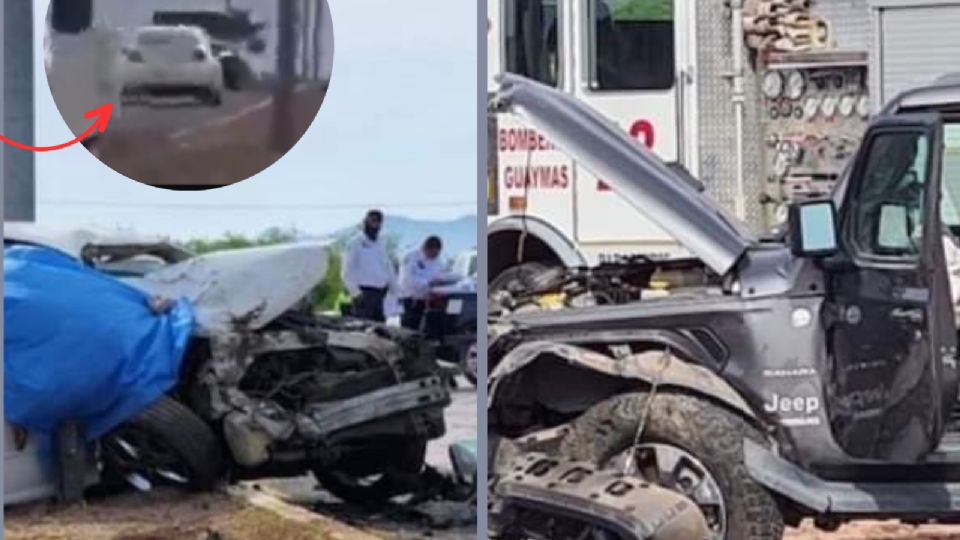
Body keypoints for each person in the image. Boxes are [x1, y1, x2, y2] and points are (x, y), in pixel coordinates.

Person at [342, 210, 397, 322]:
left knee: (380, 332)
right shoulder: (355, 243)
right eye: (372, 221)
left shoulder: (381, 244)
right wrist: (355, 293)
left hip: (380, 294)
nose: (374, 225)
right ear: (365, 222)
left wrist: (395, 290)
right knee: (364, 330)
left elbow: (388, 268)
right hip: (363, 294)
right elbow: (346, 271)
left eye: (377, 222)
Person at [398, 236, 459, 330]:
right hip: (412, 301)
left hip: (430, 302)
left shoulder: (438, 261)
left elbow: (443, 274)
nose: (435, 256)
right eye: (433, 253)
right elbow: (407, 280)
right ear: (426, 248)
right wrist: (428, 283)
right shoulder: (411, 257)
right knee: (409, 331)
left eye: (437, 253)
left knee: (427, 332)